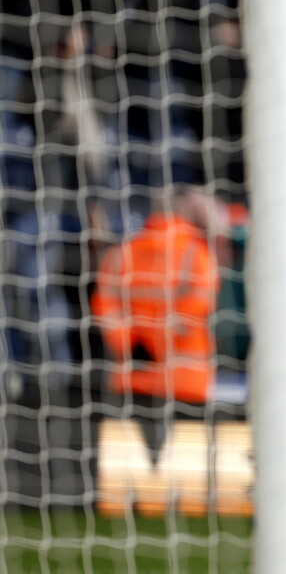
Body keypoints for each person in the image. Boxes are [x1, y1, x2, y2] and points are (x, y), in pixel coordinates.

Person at [90, 184, 220, 464]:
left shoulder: (121, 253)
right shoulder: (196, 253)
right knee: (185, 475)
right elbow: (199, 307)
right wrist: (160, 342)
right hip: (186, 379)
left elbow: (105, 306)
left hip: (132, 376)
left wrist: (133, 342)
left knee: (133, 474)